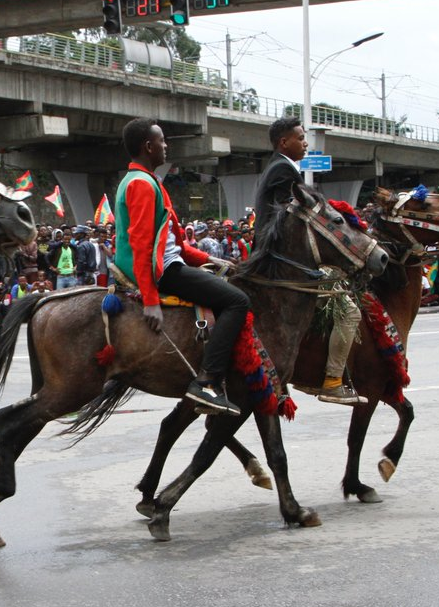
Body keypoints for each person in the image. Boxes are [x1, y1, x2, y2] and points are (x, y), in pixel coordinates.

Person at [114, 118, 249, 415]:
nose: (166, 146)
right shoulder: (141, 184)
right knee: (238, 300)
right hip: (161, 272)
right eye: (162, 141)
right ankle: (208, 381)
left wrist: (212, 260)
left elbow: (174, 243)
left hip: (168, 263)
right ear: (148, 147)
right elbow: (141, 245)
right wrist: (150, 300)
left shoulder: (148, 181)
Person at [254, 116, 362, 405]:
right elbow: (291, 224)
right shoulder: (283, 172)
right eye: (300, 138)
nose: (305, 143)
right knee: (349, 313)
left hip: (280, 259)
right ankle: (332, 380)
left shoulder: (280, 168)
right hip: (280, 263)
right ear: (283, 142)